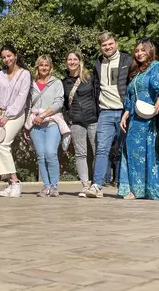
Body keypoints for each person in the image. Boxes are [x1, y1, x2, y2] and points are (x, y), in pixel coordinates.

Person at [118, 38, 159, 200]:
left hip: (150, 119)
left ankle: (153, 188)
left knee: (150, 152)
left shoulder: (156, 67)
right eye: (137, 51)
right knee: (132, 151)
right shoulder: (136, 72)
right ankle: (135, 189)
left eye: (143, 50)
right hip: (134, 120)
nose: (139, 53)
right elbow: (131, 95)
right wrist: (125, 114)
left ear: (150, 51)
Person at [85, 31, 133, 198]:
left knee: (126, 150)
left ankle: (128, 187)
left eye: (110, 43)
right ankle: (97, 186)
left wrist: (130, 109)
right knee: (101, 150)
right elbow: (96, 87)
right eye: (104, 45)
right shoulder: (98, 63)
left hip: (124, 112)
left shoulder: (127, 60)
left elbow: (132, 84)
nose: (107, 47)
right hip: (105, 112)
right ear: (100, 47)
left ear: (116, 43)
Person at [0, 45, 31, 197]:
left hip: (17, 115)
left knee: (2, 144)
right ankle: (9, 184)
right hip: (1, 113)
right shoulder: (1, 74)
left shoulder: (25, 74)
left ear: (15, 56)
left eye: (9, 56)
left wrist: (8, 115)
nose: (7, 59)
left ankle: (15, 181)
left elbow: (21, 99)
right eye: (4, 57)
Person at [26, 55, 64, 197]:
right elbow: (28, 105)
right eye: (41, 65)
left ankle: (54, 186)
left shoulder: (57, 83)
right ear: (37, 67)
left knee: (50, 153)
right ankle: (46, 186)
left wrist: (42, 115)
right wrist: (27, 124)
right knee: (41, 156)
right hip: (35, 125)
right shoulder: (31, 85)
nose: (44, 68)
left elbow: (59, 102)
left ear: (50, 67)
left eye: (46, 65)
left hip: (52, 122)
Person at [62, 51, 97, 197]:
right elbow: (64, 104)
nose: (72, 62)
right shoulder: (64, 82)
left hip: (93, 119)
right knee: (80, 154)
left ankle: (96, 183)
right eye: (69, 59)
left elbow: (97, 95)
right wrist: (68, 118)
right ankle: (85, 184)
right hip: (76, 121)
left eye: (75, 59)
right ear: (66, 62)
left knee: (98, 151)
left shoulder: (89, 77)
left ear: (80, 61)